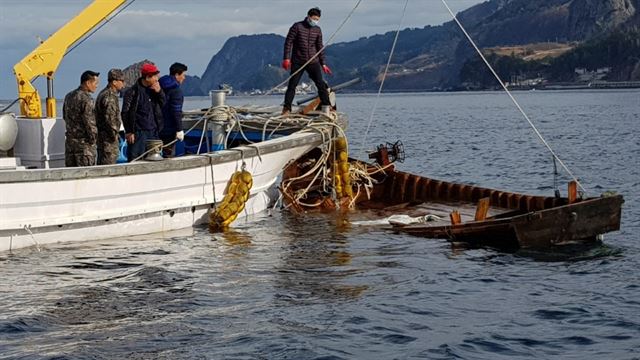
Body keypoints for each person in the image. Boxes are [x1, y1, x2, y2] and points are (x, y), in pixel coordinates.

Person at [282, 7, 332, 115]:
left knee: (320, 84)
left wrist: (323, 63)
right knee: (292, 85)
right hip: (298, 61)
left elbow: (320, 47)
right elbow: (288, 42)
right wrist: (286, 58)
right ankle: (286, 109)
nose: (315, 21)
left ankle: (327, 106)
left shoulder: (317, 30)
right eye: (314, 18)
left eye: (317, 19)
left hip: (313, 61)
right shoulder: (297, 26)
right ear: (309, 16)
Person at [121, 62, 165, 162]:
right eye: (154, 76)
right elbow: (125, 112)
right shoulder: (132, 92)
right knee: (136, 160)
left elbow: (163, 104)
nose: (157, 79)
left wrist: (160, 92)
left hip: (153, 131)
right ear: (147, 77)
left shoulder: (155, 90)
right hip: (138, 133)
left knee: (154, 160)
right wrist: (129, 131)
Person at [63, 70, 99, 167]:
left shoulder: (68, 96)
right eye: (95, 83)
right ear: (88, 83)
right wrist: (94, 140)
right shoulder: (87, 99)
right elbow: (90, 124)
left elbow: (65, 116)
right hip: (84, 147)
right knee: (86, 177)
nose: (97, 86)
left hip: (70, 145)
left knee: (71, 176)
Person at [95, 68, 126, 165]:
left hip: (103, 140)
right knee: (108, 169)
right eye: (121, 81)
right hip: (108, 141)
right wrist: (115, 136)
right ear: (114, 82)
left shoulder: (104, 93)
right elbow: (111, 120)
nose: (123, 84)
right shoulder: (109, 96)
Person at [159, 62, 188, 157]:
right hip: (169, 129)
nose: (184, 78)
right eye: (183, 75)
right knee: (168, 155)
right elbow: (176, 111)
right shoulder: (176, 90)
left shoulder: (159, 85)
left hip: (157, 127)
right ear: (176, 75)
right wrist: (179, 129)